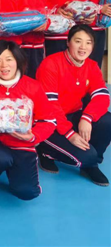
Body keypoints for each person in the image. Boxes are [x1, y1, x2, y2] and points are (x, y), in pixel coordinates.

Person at [0, 40, 57, 206]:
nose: (4, 65)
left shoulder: (33, 86)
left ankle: (12, 170)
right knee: (0, 158)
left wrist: (33, 136)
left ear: (18, 61)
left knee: (27, 192)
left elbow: (49, 121)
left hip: (22, 144)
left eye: (9, 59)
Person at [36, 25, 111, 186]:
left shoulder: (91, 65)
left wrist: (87, 117)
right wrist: (70, 134)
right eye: (78, 41)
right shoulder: (51, 64)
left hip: (73, 115)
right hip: (49, 121)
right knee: (85, 156)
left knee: (107, 120)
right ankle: (44, 151)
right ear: (68, 42)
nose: (83, 47)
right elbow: (50, 106)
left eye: (88, 42)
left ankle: (91, 164)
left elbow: (102, 97)